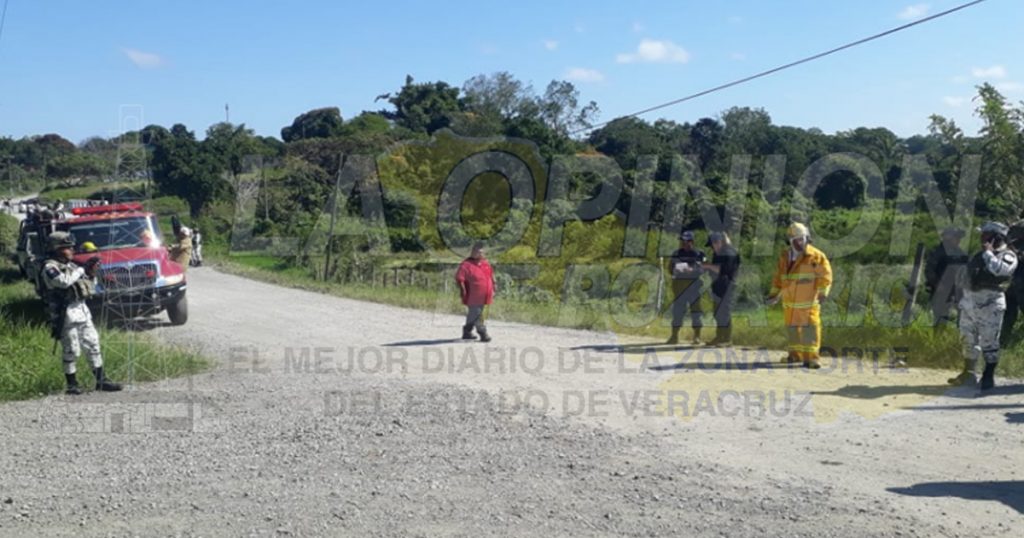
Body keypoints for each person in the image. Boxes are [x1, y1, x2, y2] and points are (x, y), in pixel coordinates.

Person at [42, 232, 122, 394]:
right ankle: (72, 384)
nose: (72, 250)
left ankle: (101, 380)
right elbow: (63, 282)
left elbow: (89, 285)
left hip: (82, 310)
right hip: (65, 313)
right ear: (56, 249)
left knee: (93, 344)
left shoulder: (72, 266)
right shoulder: (49, 267)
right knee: (71, 349)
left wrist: (91, 272)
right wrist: (81, 269)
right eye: (67, 247)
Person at [950, 222, 1019, 391]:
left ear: (997, 237)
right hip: (970, 301)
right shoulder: (979, 255)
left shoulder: (1008, 255)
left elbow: (1000, 270)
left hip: (991, 303)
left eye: (986, 234)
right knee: (967, 338)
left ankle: (988, 377)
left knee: (989, 341)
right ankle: (968, 374)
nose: (982, 237)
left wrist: (988, 253)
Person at [767, 223, 833, 369]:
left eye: (801, 239)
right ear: (790, 241)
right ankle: (795, 355)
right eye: (795, 240)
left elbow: (825, 275)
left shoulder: (815, 256)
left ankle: (812, 359)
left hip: (808, 303)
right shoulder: (785, 256)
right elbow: (779, 278)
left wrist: (823, 292)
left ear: (807, 238)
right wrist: (774, 294)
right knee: (792, 331)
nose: (799, 243)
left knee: (810, 329)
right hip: (790, 304)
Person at [665, 231, 705, 345]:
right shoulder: (676, 253)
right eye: (682, 241)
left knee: (696, 312)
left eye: (686, 241)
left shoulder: (699, 254)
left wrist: (692, 270)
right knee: (677, 312)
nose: (683, 243)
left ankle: (697, 336)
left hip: (693, 287)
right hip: (679, 286)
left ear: (691, 242)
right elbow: (670, 268)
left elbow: (703, 269)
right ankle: (674, 336)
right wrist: (676, 270)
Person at [924, 227, 968, 327]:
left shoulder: (960, 253)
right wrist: (937, 284)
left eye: (959, 237)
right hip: (941, 292)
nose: (958, 240)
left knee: (962, 319)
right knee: (940, 320)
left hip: (958, 291)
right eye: (956, 237)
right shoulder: (938, 252)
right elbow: (929, 270)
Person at [702, 231, 741, 346]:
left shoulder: (729, 252)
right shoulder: (718, 254)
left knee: (724, 313)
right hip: (718, 286)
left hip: (727, 286)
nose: (712, 248)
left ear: (718, 242)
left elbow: (722, 270)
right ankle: (719, 337)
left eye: (712, 245)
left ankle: (726, 339)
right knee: (718, 313)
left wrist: (707, 265)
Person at [455, 242, 495, 342]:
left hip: (485, 295)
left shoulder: (485, 263)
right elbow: (460, 278)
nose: (480, 254)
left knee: (474, 313)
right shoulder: (466, 265)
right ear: (472, 252)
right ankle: (483, 333)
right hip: (472, 295)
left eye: (481, 252)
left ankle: (467, 332)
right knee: (477, 313)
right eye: (477, 251)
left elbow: (491, 275)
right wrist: (462, 290)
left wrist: (494, 285)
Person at [1000, 220, 1024, 346]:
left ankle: (1005, 340)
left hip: (1019, 282)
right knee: (1009, 311)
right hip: (1016, 282)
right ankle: (1004, 340)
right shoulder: (1016, 242)